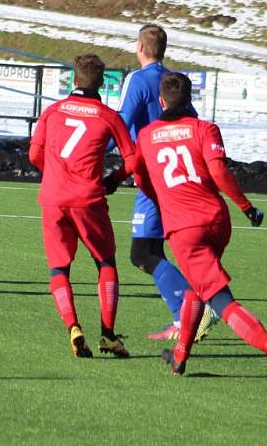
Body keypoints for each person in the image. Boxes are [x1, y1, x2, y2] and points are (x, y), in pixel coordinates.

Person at [132, 72, 267, 388]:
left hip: (185, 230)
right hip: (217, 220)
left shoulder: (146, 135)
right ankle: (181, 355)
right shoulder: (204, 128)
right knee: (198, 287)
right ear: (190, 102)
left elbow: (138, 175)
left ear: (160, 101)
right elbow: (219, 171)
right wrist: (247, 208)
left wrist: (159, 198)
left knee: (221, 301)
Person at [28, 53, 137, 359]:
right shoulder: (107, 115)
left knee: (59, 268)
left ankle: (73, 327)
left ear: (73, 79)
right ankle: (108, 334)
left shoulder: (52, 111)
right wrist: (112, 180)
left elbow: (34, 155)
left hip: (53, 199)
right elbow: (133, 159)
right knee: (105, 263)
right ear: (102, 83)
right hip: (88, 199)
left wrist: (54, 176)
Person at [107, 23, 211, 342]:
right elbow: (194, 123)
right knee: (156, 248)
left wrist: (97, 153)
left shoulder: (138, 80)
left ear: (139, 47)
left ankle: (193, 309)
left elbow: (121, 124)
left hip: (153, 175)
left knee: (142, 253)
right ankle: (189, 312)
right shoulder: (172, 82)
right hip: (179, 173)